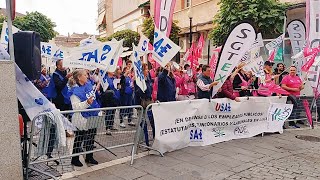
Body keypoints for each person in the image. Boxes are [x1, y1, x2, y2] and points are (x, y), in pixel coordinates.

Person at [70, 69, 100, 167]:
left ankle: (89, 157)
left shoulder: (89, 85)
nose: (87, 76)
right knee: (79, 138)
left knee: (91, 137)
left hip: (93, 115)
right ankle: (75, 159)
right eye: (85, 75)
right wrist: (86, 103)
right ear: (79, 77)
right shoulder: (75, 91)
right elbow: (75, 107)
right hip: (82, 118)